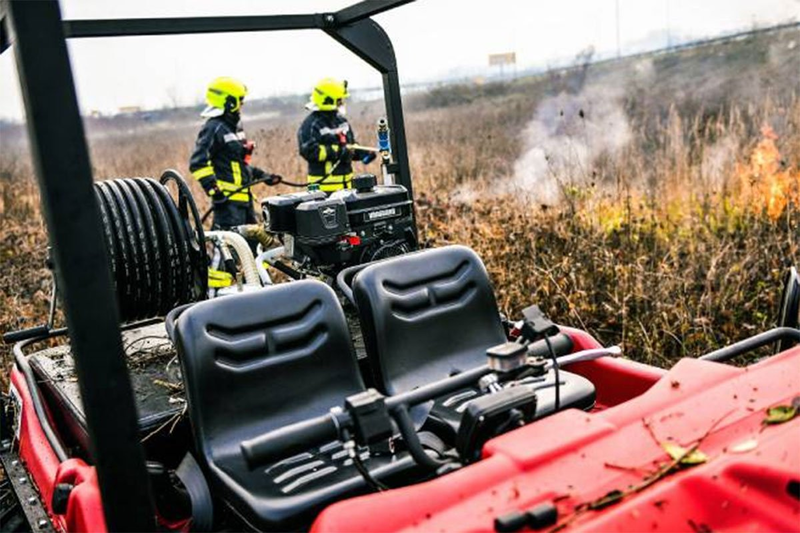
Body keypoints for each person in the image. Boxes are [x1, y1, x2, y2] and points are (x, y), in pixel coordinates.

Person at [189, 76, 280, 230]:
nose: (241, 106)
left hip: (244, 202)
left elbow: (238, 164)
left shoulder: (233, 128)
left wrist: (264, 176)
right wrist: (214, 191)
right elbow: (197, 163)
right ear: (230, 102)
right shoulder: (213, 128)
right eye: (240, 102)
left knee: (253, 241)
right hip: (228, 205)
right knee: (228, 244)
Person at [297, 78, 376, 192]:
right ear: (328, 100)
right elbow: (309, 151)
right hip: (323, 191)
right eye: (339, 100)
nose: (342, 103)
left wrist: (363, 153)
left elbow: (349, 146)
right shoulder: (311, 124)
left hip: (348, 188)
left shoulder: (341, 121)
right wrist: (338, 152)